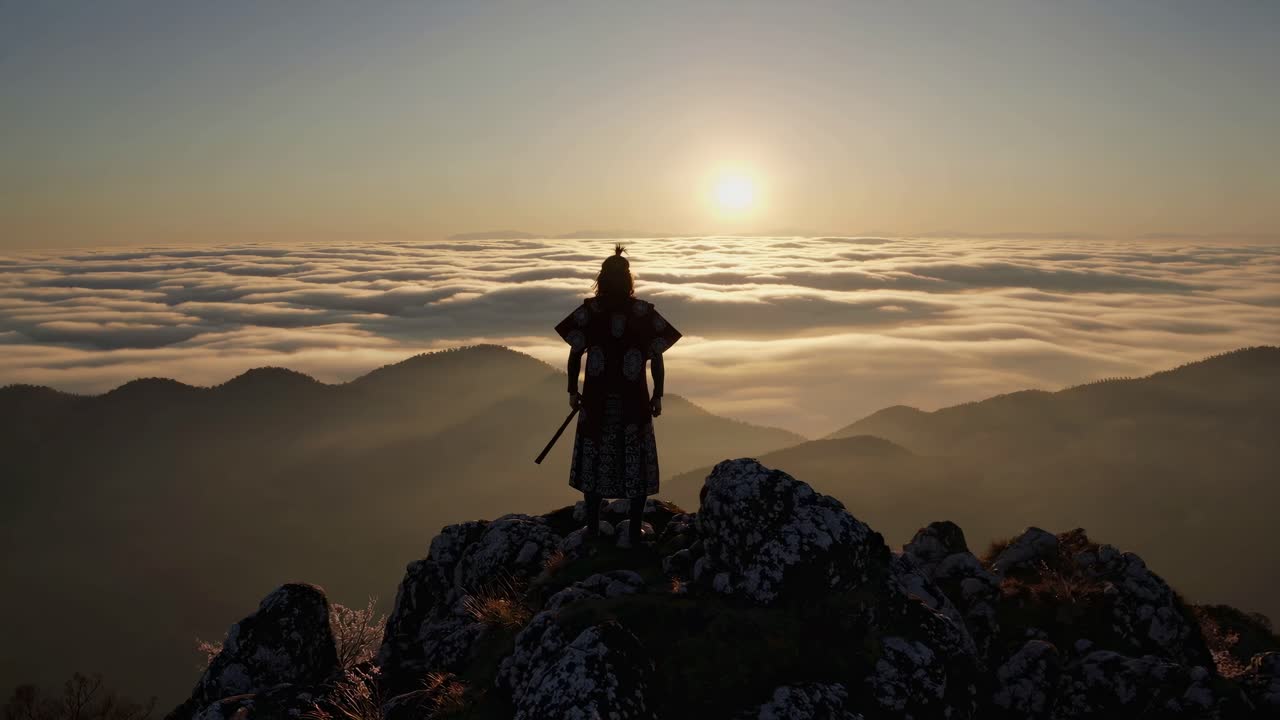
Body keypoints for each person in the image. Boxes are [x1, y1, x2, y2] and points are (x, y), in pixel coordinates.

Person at [555, 244, 682, 546]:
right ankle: (635, 528)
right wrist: (658, 395)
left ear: (601, 278)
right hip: (634, 400)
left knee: (594, 460)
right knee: (636, 463)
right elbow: (657, 357)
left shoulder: (590, 312)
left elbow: (575, 353)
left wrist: (573, 390)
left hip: (596, 400)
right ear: (628, 279)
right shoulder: (643, 313)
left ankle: (594, 528)